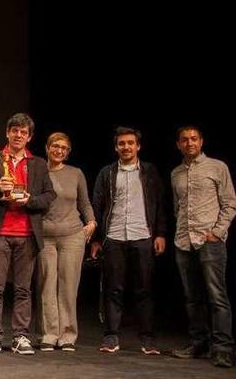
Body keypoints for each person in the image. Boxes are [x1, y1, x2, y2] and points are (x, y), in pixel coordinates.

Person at [0, 112, 56, 356]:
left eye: (23, 132)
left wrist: (30, 201)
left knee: (23, 289)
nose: (18, 135)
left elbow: (49, 196)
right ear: (7, 133)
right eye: (15, 131)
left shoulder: (39, 164)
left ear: (29, 137)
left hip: (27, 234)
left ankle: (21, 336)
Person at [90, 126, 166, 355]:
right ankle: (111, 337)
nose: (126, 147)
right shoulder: (107, 173)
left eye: (130, 143)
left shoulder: (150, 172)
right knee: (113, 289)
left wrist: (160, 233)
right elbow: (98, 206)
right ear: (116, 147)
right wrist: (95, 239)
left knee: (144, 290)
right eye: (121, 143)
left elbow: (160, 205)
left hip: (142, 236)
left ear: (138, 146)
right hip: (113, 237)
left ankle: (148, 339)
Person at [169, 126, 234, 368]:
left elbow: (229, 204)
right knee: (192, 297)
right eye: (184, 140)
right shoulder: (175, 173)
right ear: (178, 144)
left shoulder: (217, 167)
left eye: (194, 139)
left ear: (201, 141)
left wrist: (216, 233)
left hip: (210, 241)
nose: (189, 143)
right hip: (183, 241)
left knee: (217, 297)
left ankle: (223, 348)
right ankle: (199, 343)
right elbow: (178, 207)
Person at [36, 132, 95, 352]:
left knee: (68, 286)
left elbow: (85, 202)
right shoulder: (38, 171)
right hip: (45, 236)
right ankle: (49, 334)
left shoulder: (76, 173)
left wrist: (91, 221)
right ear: (47, 147)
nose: (59, 151)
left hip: (72, 235)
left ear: (68, 152)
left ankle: (67, 334)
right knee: (47, 285)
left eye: (64, 148)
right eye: (55, 146)